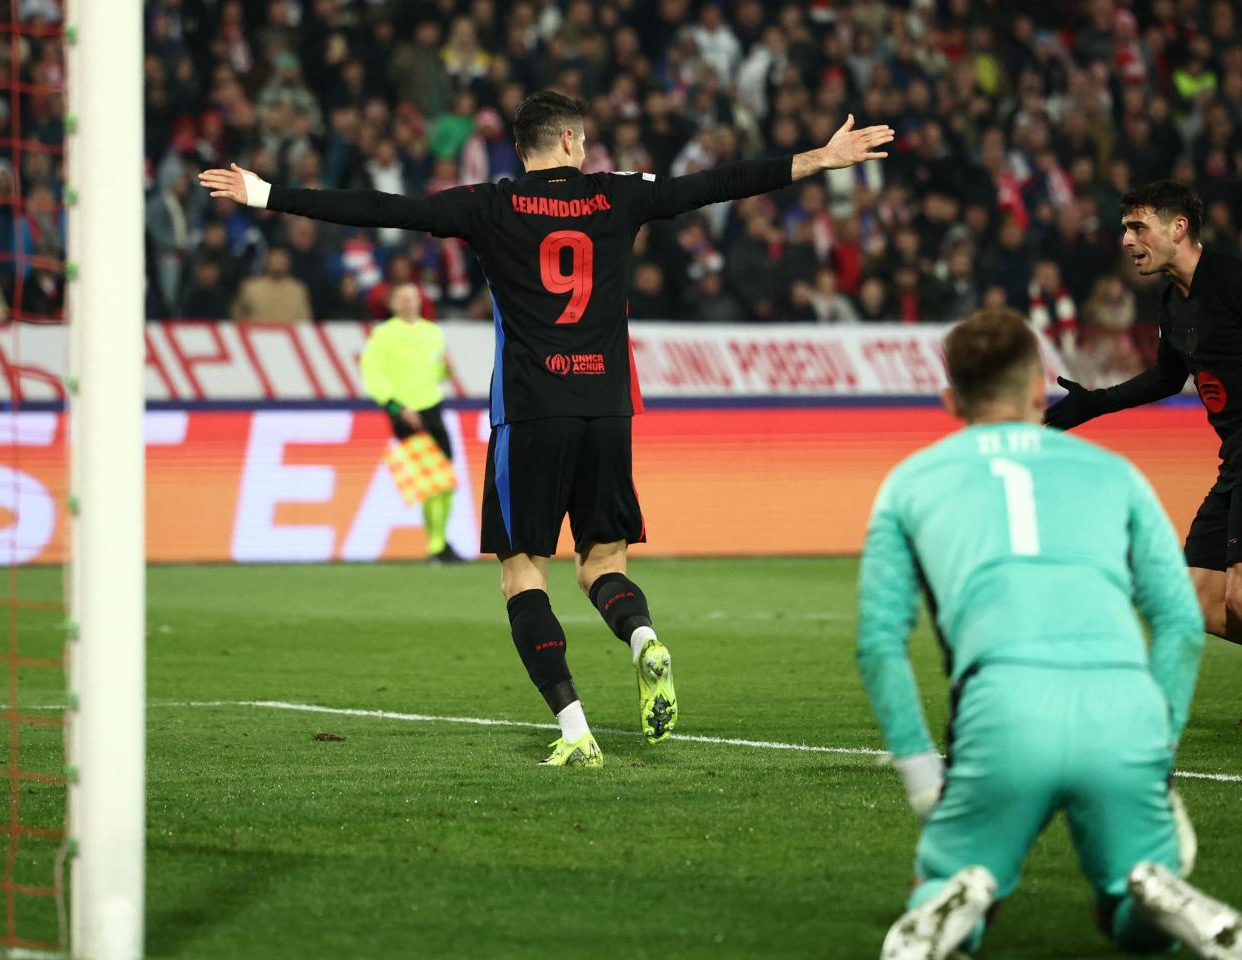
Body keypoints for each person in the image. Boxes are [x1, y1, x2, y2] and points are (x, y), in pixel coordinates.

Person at [201, 91, 894, 766]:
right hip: (609, 409)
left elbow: (385, 210)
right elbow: (714, 184)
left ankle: (575, 727)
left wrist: (269, 196)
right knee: (603, 562)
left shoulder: (490, 205)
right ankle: (643, 636)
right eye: (584, 138)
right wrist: (816, 159)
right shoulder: (617, 195)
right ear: (569, 141)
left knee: (521, 571)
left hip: (532, 408)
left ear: (526, 145)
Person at [860, 309, 1242, 960]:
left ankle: (962, 888)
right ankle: (1154, 891)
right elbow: (1181, 624)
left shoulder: (910, 482)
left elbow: (879, 642)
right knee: (1132, 916)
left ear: (950, 400)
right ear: (1040, 393)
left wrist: (920, 778)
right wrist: (1158, 744)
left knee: (938, 883)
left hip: (1002, 713)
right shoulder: (1116, 474)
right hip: (1123, 709)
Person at [1046, 181, 1242, 755]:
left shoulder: (1240, 282)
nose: (1127, 240)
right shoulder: (1173, 301)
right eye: (1124, 229)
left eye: (1138, 226)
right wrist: (1093, 403)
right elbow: (1167, 378)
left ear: (1179, 228)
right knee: (1195, 601)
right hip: (1239, 459)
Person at [361, 281, 463, 564]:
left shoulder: (433, 332)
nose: (408, 303)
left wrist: (447, 369)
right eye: (402, 298)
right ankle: (437, 546)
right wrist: (396, 406)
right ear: (392, 304)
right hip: (405, 412)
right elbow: (373, 375)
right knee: (432, 482)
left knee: (447, 481)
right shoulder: (382, 335)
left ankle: (441, 543)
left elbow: (436, 372)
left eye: (412, 298)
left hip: (432, 407)